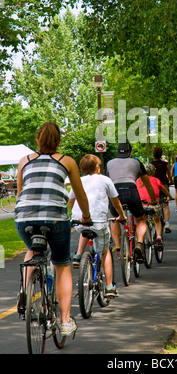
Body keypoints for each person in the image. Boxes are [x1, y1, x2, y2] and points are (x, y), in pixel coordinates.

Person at [15, 122, 90, 337]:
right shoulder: (67, 161)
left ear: (37, 139)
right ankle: (65, 321)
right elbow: (80, 194)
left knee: (33, 249)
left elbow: (21, 193)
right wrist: (86, 216)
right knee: (62, 263)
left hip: (24, 216)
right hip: (55, 217)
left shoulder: (24, 161)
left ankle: (25, 291)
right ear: (58, 141)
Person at [69, 154, 126, 298]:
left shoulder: (78, 180)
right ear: (97, 167)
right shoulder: (105, 180)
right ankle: (109, 286)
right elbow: (115, 202)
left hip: (80, 221)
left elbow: (71, 202)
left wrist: (74, 215)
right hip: (99, 222)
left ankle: (78, 255)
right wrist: (122, 215)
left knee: (84, 231)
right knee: (105, 251)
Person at [106, 143, 157, 262]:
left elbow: (106, 182)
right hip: (131, 191)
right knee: (141, 219)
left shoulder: (109, 163)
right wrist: (153, 200)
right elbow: (147, 184)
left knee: (115, 218)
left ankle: (118, 249)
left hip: (115, 192)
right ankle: (139, 244)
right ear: (131, 152)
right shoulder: (136, 163)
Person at [137, 163, 174, 251]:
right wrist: (170, 196)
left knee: (142, 221)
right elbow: (164, 190)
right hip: (153, 205)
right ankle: (158, 237)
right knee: (157, 220)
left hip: (142, 205)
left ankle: (142, 240)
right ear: (153, 172)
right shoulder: (156, 180)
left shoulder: (138, 180)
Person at [150, 146, 172, 233]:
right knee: (165, 205)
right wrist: (171, 180)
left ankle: (153, 222)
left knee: (153, 204)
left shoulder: (151, 164)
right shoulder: (165, 164)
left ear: (153, 154)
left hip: (154, 186)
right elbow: (169, 175)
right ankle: (167, 223)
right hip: (164, 186)